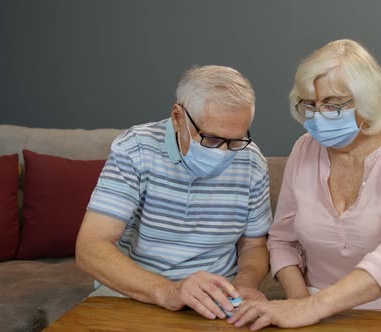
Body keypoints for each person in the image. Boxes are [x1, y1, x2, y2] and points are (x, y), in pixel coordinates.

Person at [227, 39, 381, 330]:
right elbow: (282, 241)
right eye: (310, 105)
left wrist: (312, 308)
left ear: (369, 100)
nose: (317, 116)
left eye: (331, 105)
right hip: (321, 304)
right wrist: (300, 303)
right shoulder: (304, 149)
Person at [75, 65, 272, 320]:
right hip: (136, 292)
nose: (224, 152)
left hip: (219, 298)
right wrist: (169, 291)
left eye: (235, 141)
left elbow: (254, 244)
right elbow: (90, 247)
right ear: (178, 117)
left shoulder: (252, 161)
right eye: (212, 139)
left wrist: (246, 284)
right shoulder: (135, 149)